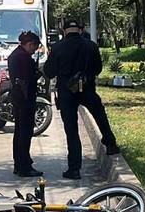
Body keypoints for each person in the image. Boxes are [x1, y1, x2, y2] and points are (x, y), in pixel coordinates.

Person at [43, 18, 119, 180]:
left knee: (71, 131)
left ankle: (74, 169)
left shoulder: (58, 47)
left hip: (66, 93)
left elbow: (49, 72)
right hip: (87, 89)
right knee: (100, 115)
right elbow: (98, 68)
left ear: (64, 31)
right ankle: (111, 144)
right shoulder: (91, 46)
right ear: (80, 29)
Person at [9, 30, 44, 177]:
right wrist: (40, 72)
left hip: (18, 97)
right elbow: (30, 77)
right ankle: (24, 165)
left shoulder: (14, 55)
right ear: (29, 44)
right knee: (25, 133)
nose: (34, 50)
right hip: (25, 98)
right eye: (34, 47)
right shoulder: (24, 58)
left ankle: (19, 163)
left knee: (19, 132)